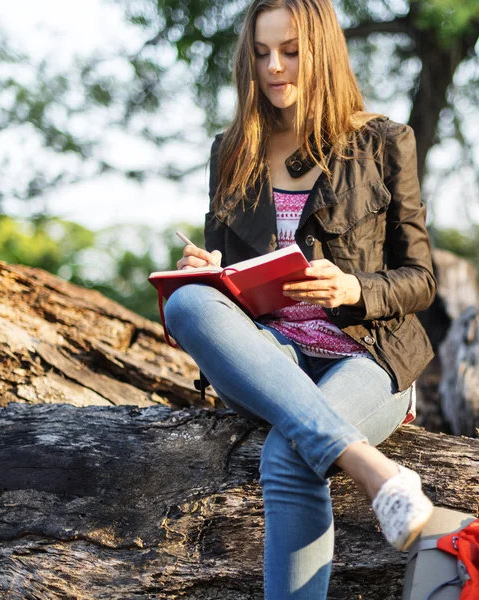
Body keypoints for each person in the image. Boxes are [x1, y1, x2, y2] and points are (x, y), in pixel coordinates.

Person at [162, 0, 437, 598]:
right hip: (270, 354)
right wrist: (210, 271)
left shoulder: (385, 142)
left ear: (322, 53)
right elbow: (228, 277)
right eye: (261, 54)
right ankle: (377, 471)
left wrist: (353, 287)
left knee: (289, 455)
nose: (274, 67)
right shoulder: (230, 151)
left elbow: (420, 279)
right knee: (186, 303)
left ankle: (360, 463)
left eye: (290, 51)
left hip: (365, 354)